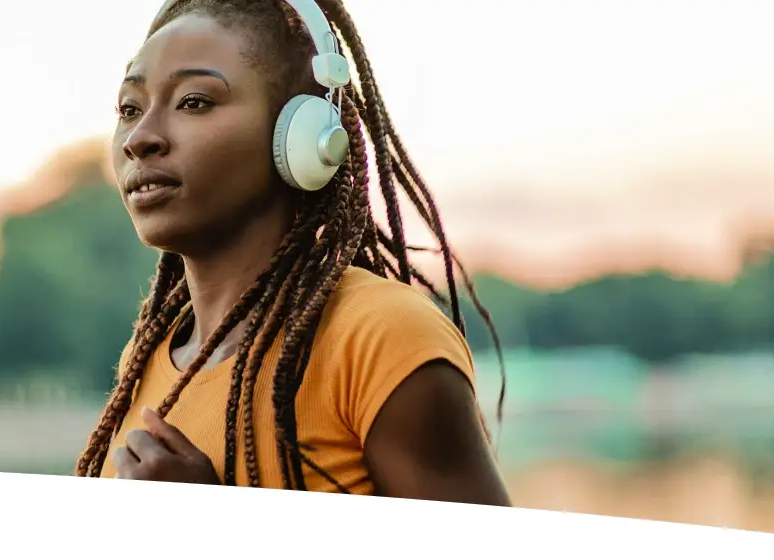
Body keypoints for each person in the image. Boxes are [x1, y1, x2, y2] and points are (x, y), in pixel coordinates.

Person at [74, 0, 512, 505]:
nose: (141, 138)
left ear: (301, 137)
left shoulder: (381, 337)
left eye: (194, 101)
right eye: (129, 109)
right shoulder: (148, 354)